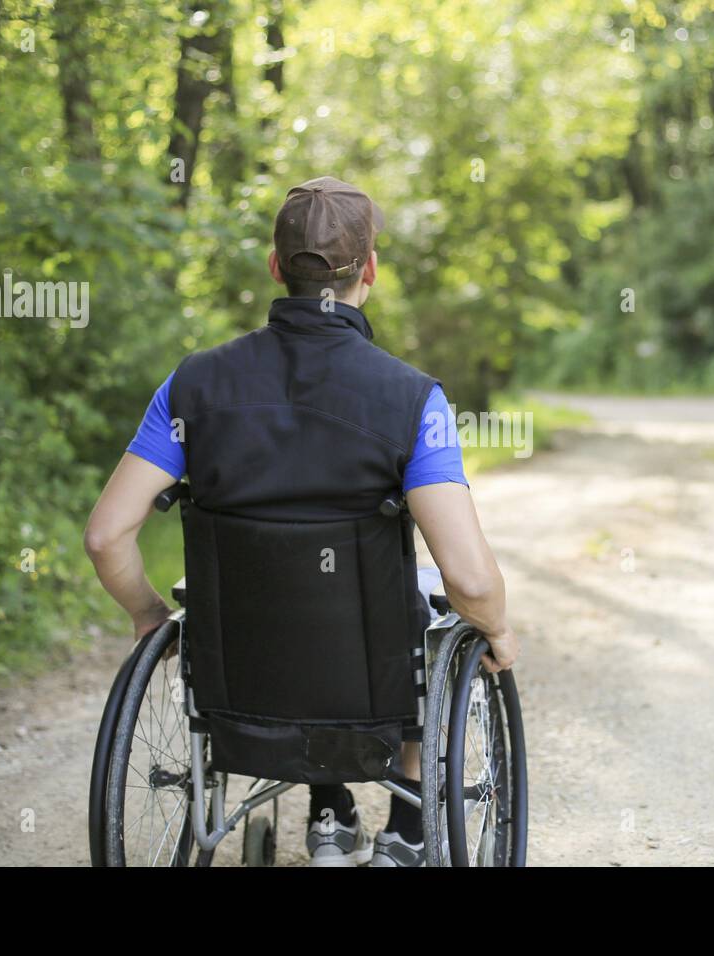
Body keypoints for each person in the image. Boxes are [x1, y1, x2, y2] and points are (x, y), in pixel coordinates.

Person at [83, 176, 519, 867]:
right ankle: (405, 825)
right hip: (370, 677)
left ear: (275, 267)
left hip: (239, 678)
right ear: (369, 270)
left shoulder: (193, 384)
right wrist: (494, 626)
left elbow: (106, 535)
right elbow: (470, 576)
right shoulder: (412, 400)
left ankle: (329, 806)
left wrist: (147, 617)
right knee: (434, 605)